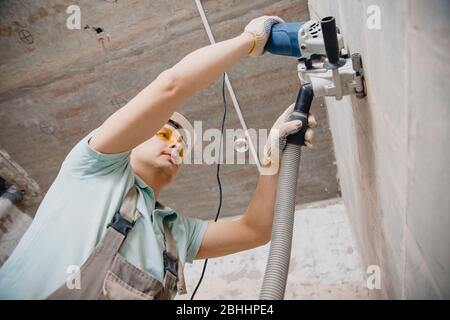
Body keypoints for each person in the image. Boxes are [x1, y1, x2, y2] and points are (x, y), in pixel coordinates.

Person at [0, 16, 315, 299]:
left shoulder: (174, 232)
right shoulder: (93, 169)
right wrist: (251, 40)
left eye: (182, 145)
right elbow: (171, 86)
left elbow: (254, 231)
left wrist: (272, 154)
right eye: (165, 135)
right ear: (134, 143)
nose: (176, 146)